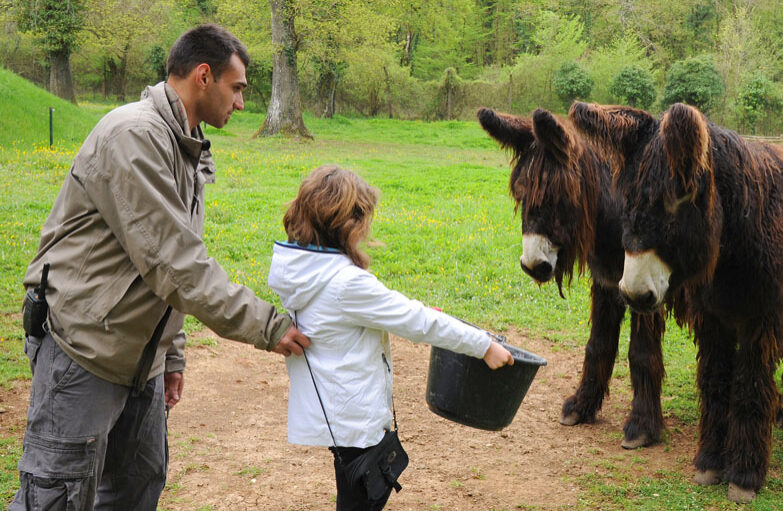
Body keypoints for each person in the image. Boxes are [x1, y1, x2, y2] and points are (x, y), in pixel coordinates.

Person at [12, 24, 310, 511]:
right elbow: (177, 265)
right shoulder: (134, 137)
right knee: (56, 498)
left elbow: (171, 256)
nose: (240, 103)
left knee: (137, 488)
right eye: (237, 89)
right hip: (84, 350)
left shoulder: (185, 142)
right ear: (203, 76)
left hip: (140, 359)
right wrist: (269, 327)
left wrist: (170, 355)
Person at [268, 165, 515, 511]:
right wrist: (483, 345)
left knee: (353, 493)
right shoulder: (346, 284)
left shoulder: (302, 269)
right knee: (362, 499)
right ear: (347, 224)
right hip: (358, 420)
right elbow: (417, 321)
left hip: (340, 415)